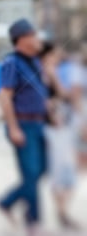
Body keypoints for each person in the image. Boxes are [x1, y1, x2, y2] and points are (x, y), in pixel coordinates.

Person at [0, 18, 47, 233]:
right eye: (34, 35)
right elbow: (5, 96)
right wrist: (14, 127)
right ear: (23, 38)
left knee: (42, 169)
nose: (37, 39)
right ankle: (33, 221)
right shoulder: (12, 63)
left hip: (38, 123)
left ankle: (7, 202)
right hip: (23, 123)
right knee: (32, 173)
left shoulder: (35, 61)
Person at [40, 42, 80, 230]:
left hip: (62, 127)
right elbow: (55, 98)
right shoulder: (46, 74)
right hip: (55, 128)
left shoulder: (51, 72)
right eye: (54, 55)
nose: (57, 58)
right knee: (61, 173)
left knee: (67, 174)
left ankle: (62, 211)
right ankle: (61, 213)